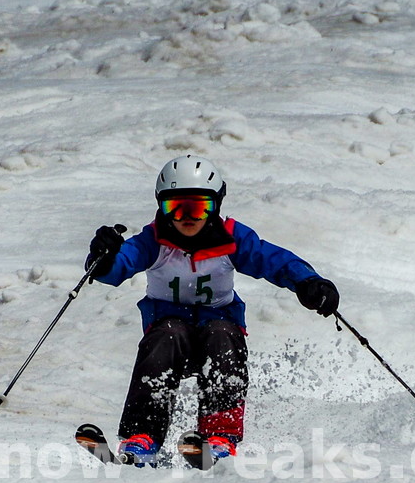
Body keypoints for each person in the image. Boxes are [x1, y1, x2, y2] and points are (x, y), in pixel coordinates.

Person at [85, 154, 340, 465]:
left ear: (215, 205)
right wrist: (104, 257)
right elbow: (116, 268)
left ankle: (220, 438)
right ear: (161, 207)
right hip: (170, 337)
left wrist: (308, 282)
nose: (186, 217)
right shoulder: (153, 241)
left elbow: (273, 260)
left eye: (198, 207)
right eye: (174, 207)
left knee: (222, 334)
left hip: (219, 331)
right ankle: (143, 438)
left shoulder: (231, 237)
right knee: (166, 333)